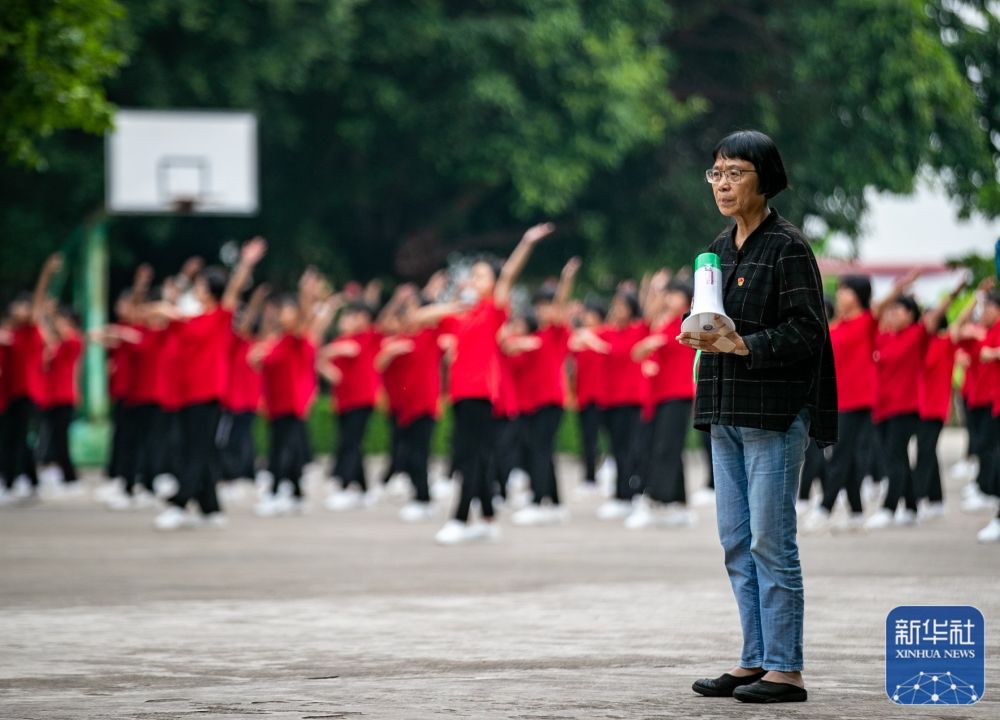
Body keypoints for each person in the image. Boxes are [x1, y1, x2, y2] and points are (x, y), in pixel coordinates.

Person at [682, 130, 837, 704]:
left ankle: (786, 670)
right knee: (736, 541)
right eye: (716, 173)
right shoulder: (720, 248)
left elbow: (807, 329)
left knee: (773, 541)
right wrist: (698, 331)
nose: (723, 184)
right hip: (725, 411)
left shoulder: (788, 247)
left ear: (764, 179)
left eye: (735, 173)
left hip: (773, 416)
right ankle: (753, 659)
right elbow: (715, 317)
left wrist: (745, 346)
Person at [417, 222, 554, 545]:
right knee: (477, 456)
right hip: (461, 394)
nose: (475, 280)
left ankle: (460, 519)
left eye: (481, 275)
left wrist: (526, 243)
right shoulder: (462, 315)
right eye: (474, 275)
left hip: (481, 393)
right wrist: (452, 302)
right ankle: (489, 519)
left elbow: (507, 276)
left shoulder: (493, 310)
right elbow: (419, 319)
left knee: (467, 457)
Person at [152, 237, 267, 530]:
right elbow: (163, 312)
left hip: (208, 393)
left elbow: (234, 289)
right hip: (187, 393)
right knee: (196, 448)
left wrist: (246, 263)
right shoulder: (190, 318)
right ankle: (210, 508)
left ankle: (180, 503)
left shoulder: (219, 316)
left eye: (201, 285)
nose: (197, 289)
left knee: (197, 450)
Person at [864, 277, 959, 530]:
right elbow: (874, 313)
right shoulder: (882, 338)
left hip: (905, 408)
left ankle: (888, 508)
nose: (892, 314)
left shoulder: (916, 335)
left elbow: (935, 318)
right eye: (891, 310)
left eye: (899, 310)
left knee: (895, 458)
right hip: (881, 407)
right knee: (896, 459)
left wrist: (952, 294)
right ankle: (911, 507)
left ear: (910, 314)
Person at [506, 258, 580, 526]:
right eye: (539, 306)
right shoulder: (529, 337)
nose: (543, 310)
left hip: (549, 402)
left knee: (540, 449)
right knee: (538, 452)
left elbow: (560, 306)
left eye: (546, 305)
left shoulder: (555, 332)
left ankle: (539, 502)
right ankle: (555, 502)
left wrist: (566, 280)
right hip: (528, 404)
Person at [628, 275, 696, 529]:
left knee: (665, 449)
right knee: (667, 447)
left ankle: (655, 499)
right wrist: (654, 288)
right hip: (659, 395)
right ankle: (678, 503)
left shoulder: (688, 323)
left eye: (675, 294)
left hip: (677, 393)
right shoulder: (662, 323)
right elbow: (641, 344)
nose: (669, 298)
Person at [0, 253, 62, 501]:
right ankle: (28, 482)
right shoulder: (10, 333)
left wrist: (46, 273)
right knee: (14, 438)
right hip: (10, 393)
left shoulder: (32, 329)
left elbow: (37, 301)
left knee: (16, 439)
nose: (20, 309)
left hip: (28, 392)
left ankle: (12, 482)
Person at [318, 300, 382, 510]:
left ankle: (346, 487)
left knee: (350, 444)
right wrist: (324, 360)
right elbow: (335, 374)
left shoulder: (369, 337)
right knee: (352, 444)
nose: (351, 321)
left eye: (356, 317)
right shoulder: (342, 340)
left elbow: (350, 349)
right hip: (345, 401)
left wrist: (328, 351)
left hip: (362, 400)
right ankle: (364, 490)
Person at [594, 289, 647, 520]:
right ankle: (621, 494)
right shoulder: (607, 333)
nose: (618, 310)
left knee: (631, 449)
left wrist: (651, 289)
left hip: (632, 400)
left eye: (622, 306)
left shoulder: (638, 330)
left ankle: (630, 493)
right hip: (611, 401)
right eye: (615, 305)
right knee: (616, 449)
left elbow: (651, 313)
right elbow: (584, 336)